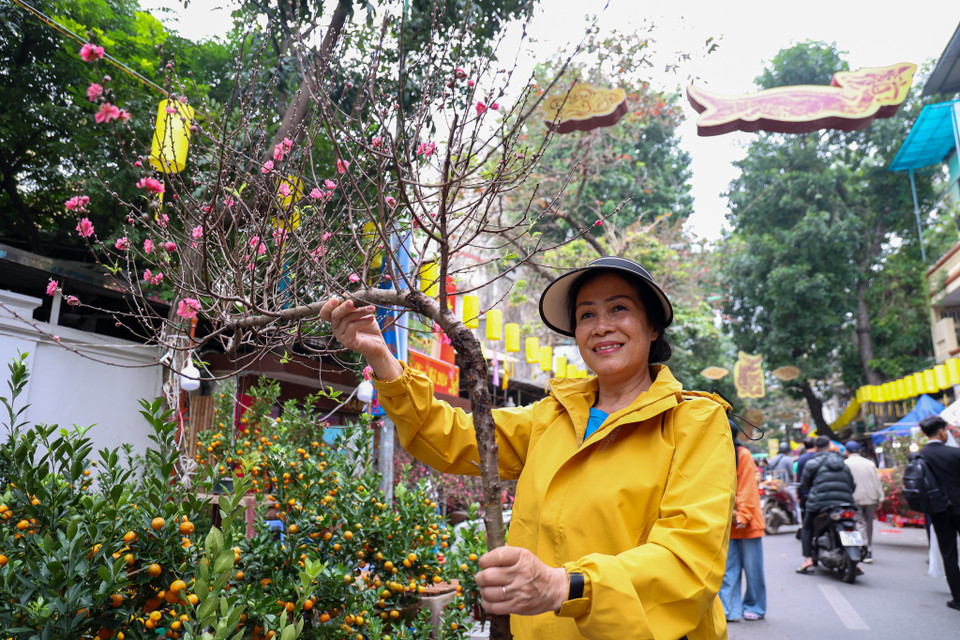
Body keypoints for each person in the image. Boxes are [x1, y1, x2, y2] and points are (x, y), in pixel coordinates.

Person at [320, 256, 737, 639]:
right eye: (586, 314)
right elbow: (451, 435)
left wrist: (566, 586)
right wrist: (381, 357)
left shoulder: (695, 423)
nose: (601, 326)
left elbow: (687, 561)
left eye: (619, 309)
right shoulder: (551, 416)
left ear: (653, 326)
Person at [720, 422, 766, 622]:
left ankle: (755, 606)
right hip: (728, 523)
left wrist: (743, 515)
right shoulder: (716, 454)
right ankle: (729, 609)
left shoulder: (742, 454)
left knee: (753, 571)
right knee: (728, 571)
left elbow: (748, 487)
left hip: (747, 524)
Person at [917, 415, 960, 612]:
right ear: (942, 431)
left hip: (938, 511)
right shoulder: (955, 453)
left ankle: (958, 598)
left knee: (949, 553)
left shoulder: (919, 456)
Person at [796, 435, 856, 574]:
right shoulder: (842, 462)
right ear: (829, 446)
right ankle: (857, 563)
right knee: (853, 524)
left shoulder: (812, 463)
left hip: (820, 503)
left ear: (816, 448)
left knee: (807, 528)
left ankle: (807, 559)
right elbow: (852, 484)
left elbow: (805, 484)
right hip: (844, 502)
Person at [843, 440, 883, 563]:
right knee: (869, 524)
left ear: (846, 452)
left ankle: (863, 548)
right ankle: (868, 548)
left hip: (854, 497)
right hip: (871, 497)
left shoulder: (845, 464)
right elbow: (877, 482)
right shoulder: (869, 463)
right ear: (860, 451)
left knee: (859, 523)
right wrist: (880, 498)